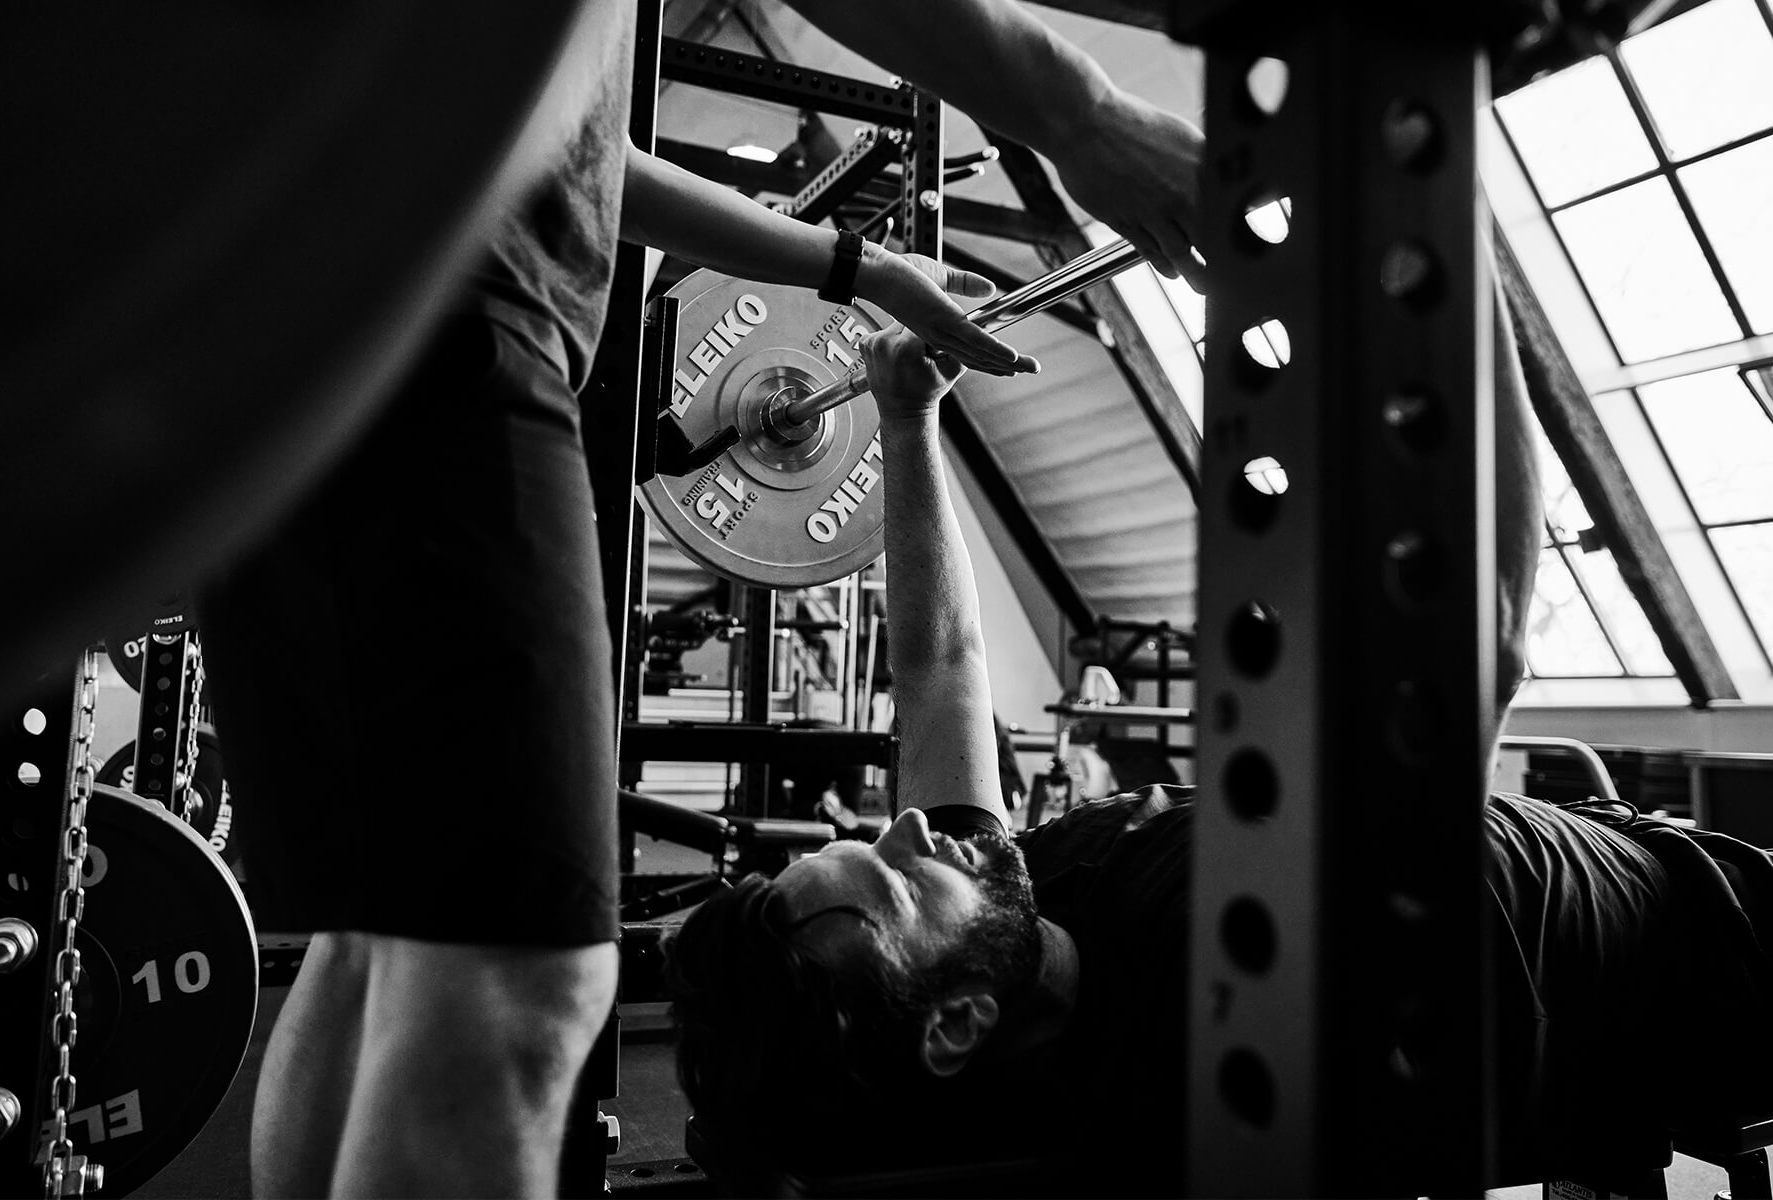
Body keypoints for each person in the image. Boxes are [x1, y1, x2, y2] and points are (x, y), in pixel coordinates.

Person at [196, 3, 1212, 1196]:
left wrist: (865, 281)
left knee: (384, 938)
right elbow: (939, 663)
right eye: (892, 870)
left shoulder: (1003, 901)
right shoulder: (1047, 926)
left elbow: (572, 150)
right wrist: (1081, 111)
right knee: (516, 971)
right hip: (449, 321)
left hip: (287, 306)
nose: (904, 831)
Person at [662, 320, 1773, 1189]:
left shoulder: (987, 958)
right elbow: (1489, 637)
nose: (909, 828)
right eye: (903, 876)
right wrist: (1460, 232)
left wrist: (907, 418)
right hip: (1726, 961)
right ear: (955, 1024)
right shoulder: (1233, 998)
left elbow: (942, 666)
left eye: (876, 840)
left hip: (1644, 879)